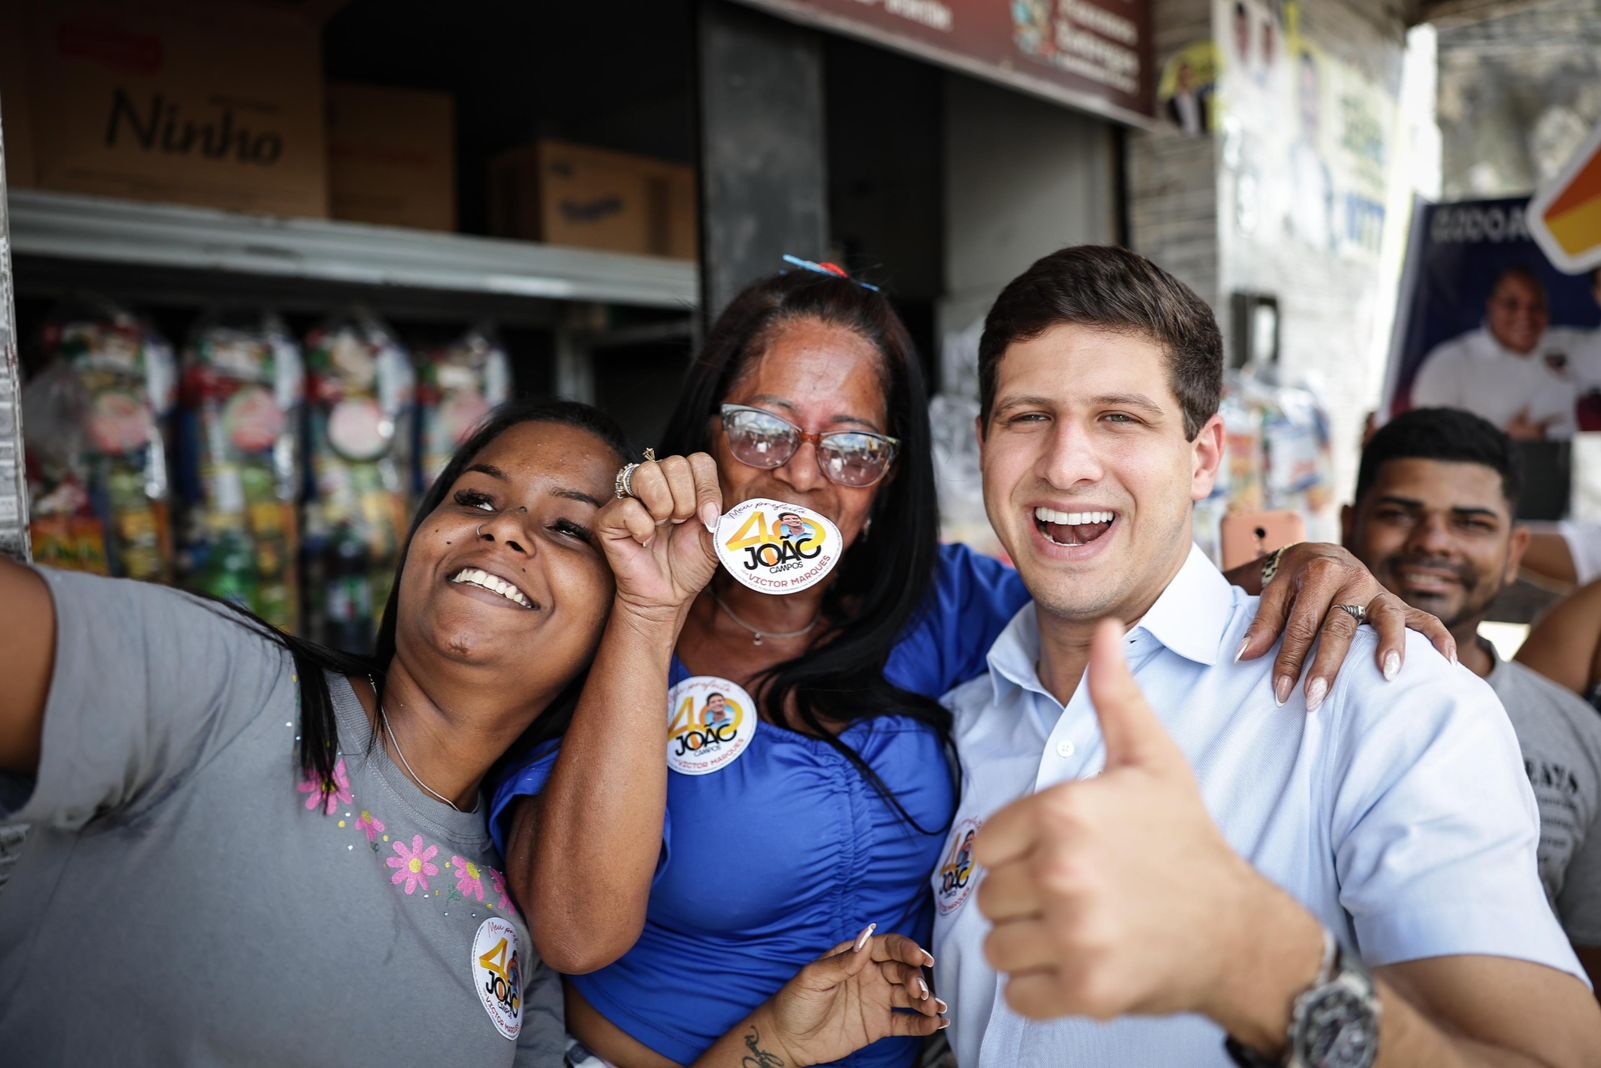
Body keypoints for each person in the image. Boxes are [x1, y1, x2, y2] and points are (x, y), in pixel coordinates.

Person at [494, 262, 1453, 1068]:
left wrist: (1309, 567)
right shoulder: (610, 606)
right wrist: (650, 611)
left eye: (853, 448)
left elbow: (1127, 578)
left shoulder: (949, 609)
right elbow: (576, 933)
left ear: (893, 474)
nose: (801, 473)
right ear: (710, 434)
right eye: (762, 430)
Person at [0, 400, 941, 1066]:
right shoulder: (226, 686)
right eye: (476, 501)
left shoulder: (512, 927)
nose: (507, 533)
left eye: (571, 531)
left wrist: (773, 1045)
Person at [935, 246, 1600, 1066]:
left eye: (1120, 418)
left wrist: (1258, 965)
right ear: (981, 445)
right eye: (1028, 416)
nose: (1066, 463)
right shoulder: (967, 717)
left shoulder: (1384, 701)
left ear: (1206, 457)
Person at [1341, 406, 1601, 986]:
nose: (1434, 543)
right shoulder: (1275, 686)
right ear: (1348, 525)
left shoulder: (1579, 736)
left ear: (1515, 553)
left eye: (1472, 524)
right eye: (1400, 514)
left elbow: (1585, 970)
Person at [1410, 265, 1589, 440]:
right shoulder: (1449, 362)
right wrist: (1504, 440)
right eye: (1511, 305)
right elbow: (1428, 442)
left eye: (1536, 306)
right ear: (1492, 306)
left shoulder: (1569, 345)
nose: (1524, 316)